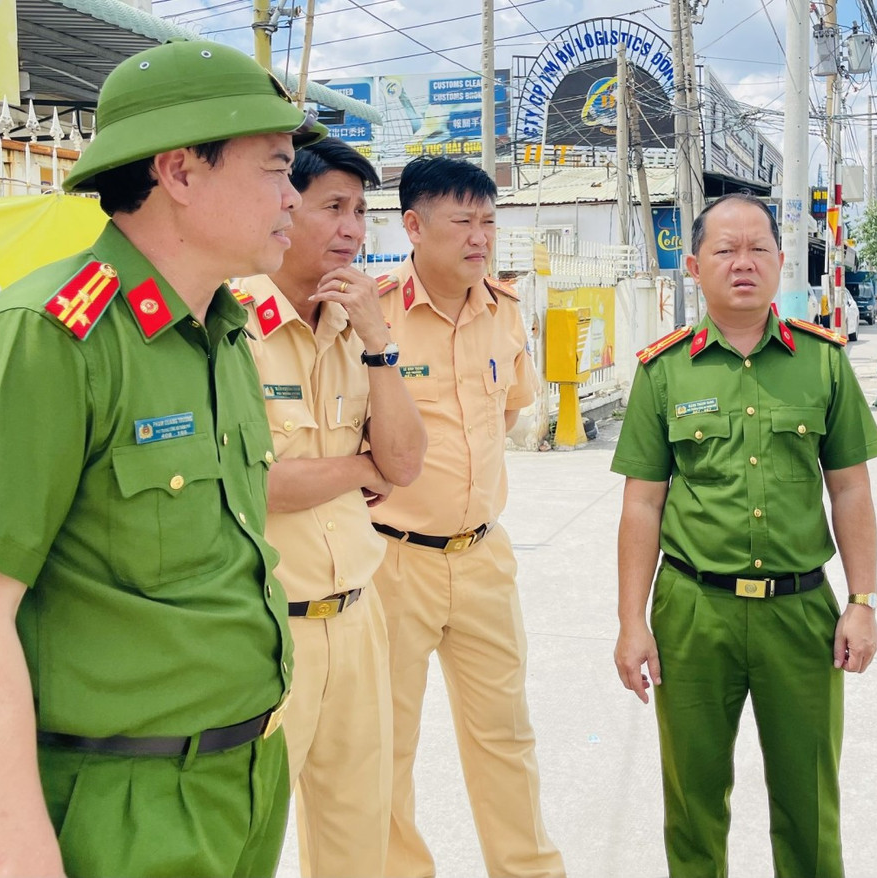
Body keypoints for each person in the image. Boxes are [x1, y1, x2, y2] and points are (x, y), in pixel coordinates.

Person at [0, 40, 326, 876]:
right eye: (274, 168)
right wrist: (23, 862)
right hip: (124, 807)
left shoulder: (222, 333)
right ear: (179, 172)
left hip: (245, 779)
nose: (294, 198)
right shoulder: (48, 338)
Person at [612, 192, 877, 878]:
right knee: (693, 801)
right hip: (692, 612)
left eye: (758, 248)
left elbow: (850, 489)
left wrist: (863, 601)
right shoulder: (663, 370)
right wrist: (631, 621)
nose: (743, 263)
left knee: (809, 802)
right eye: (726, 250)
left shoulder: (822, 362)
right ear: (693, 266)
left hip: (800, 612)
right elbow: (642, 504)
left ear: (780, 260)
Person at [238, 137, 428, 876]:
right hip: (267, 630)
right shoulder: (233, 325)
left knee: (358, 837)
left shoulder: (356, 327)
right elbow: (252, 484)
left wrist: (379, 341)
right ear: (286, 206)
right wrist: (359, 468)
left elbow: (404, 463)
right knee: (247, 837)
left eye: (360, 211)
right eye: (334, 207)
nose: (352, 229)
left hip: (356, 618)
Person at [371, 155, 564, 878]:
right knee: (387, 745)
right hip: (393, 560)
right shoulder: (372, 315)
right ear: (414, 226)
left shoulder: (504, 310)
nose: (480, 237)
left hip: (483, 557)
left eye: (489, 220)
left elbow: (510, 410)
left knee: (506, 737)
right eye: (463, 221)